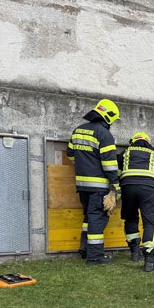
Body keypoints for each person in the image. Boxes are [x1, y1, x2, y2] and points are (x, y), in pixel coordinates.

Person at [66, 99, 120, 265]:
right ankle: (95, 256)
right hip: (99, 186)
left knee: (88, 217)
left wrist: (85, 165)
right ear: (108, 117)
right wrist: (116, 185)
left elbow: (70, 154)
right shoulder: (104, 134)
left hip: (82, 185)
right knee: (97, 218)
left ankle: (85, 248)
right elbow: (109, 164)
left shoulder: (78, 130)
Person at [118, 132, 154, 271]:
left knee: (130, 218)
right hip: (148, 190)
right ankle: (150, 260)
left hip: (128, 188)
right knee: (149, 223)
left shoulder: (124, 153)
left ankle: (134, 252)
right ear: (148, 142)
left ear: (133, 141)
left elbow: (118, 175)